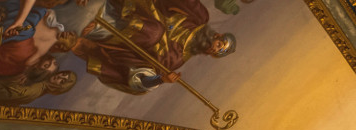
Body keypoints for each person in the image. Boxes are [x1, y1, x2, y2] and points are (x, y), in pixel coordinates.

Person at [71, 0, 235, 94]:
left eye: (217, 52)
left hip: (113, 34)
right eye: (219, 45)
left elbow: (140, 76)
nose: (214, 49)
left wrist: (160, 79)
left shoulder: (175, 60)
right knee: (155, 30)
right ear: (217, 36)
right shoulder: (199, 17)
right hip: (130, 5)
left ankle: (100, 29)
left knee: (153, 33)